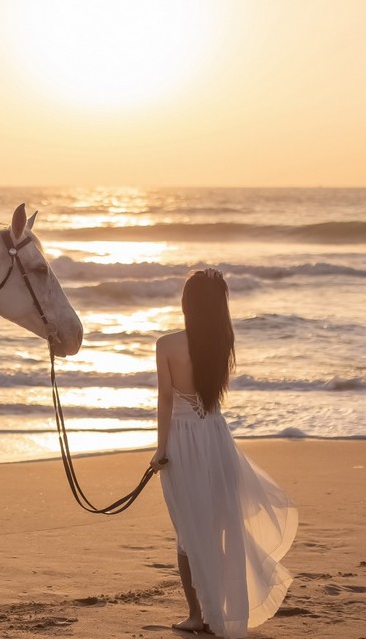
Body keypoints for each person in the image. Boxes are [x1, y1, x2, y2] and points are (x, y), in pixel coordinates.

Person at [149, 269, 297, 638]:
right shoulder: (222, 342)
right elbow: (209, 401)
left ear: (187, 304)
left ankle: (197, 615)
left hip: (183, 442)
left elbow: (166, 400)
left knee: (188, 531)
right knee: (217, 527)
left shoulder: (166, 344)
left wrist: (160, 449)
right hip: (216, 438)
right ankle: (225, 610)